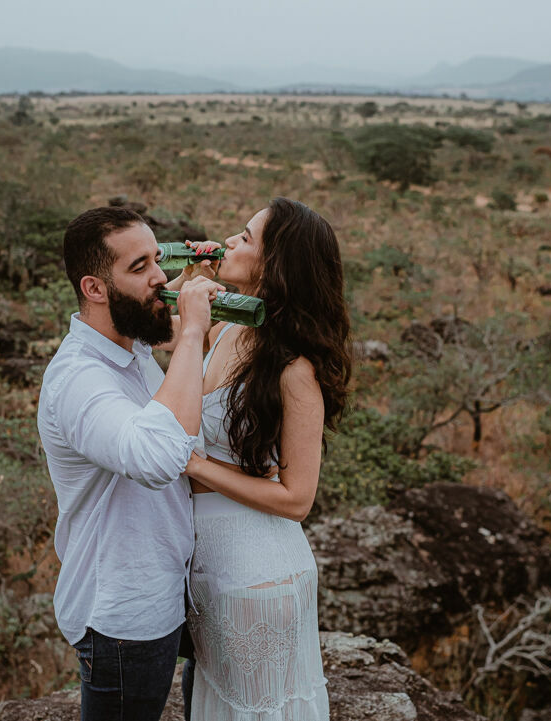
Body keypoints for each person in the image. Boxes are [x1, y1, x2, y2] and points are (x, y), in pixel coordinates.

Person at [36, 206, 223, 721]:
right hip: (124, 614)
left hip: (164, 588)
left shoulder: (130, 341)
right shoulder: (78, 380)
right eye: (139, 267)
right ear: (95, 288)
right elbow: (158, 458)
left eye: (157, 260)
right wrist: (189, 335)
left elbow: (190, 333)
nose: (159, 278)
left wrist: (201, 285)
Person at [175, 198, 352, 720]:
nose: (230, 241)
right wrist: (189, 279)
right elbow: (175, 347)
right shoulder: (227, 329)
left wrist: (195, 465)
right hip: (210, 570)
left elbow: (297, 498)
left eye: (246, 238)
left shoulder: (295, 367)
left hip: (259, 578)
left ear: (276, 265)